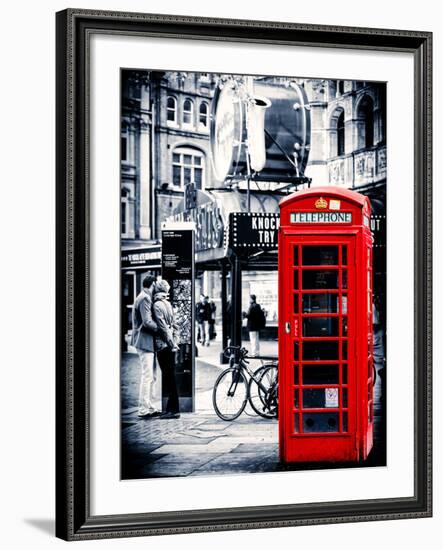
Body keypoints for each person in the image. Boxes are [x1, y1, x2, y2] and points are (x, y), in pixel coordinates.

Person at [131, 274, 161, 418]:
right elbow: (147, 321)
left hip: (146, 341)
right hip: (144, 341)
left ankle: (150, 407)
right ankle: (143, 409)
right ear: (152, 284)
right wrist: (161, 329)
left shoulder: (143, 296)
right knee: (148, 375)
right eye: (155, 285)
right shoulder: (145, 298)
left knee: (152, 376)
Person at [153, 279, 180, 419]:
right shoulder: (168, 304)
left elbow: (163, 327)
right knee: (171, 376)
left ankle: (174, 410)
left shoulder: (157, 305)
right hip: (170, 345)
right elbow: (175, 325)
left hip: (163, 346)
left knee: (169, 377)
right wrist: (175, 341)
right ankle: (171, 408)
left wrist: (170, 343)